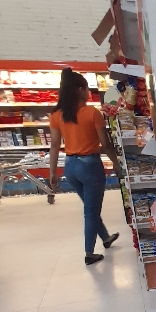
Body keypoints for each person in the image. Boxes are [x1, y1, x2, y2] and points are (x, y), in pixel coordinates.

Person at [49, 67, 121, 265]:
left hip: (70, 167)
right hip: (90, 167)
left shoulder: (56, 115)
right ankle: (89, 253)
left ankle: (106, 237)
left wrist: (52, 172)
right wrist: (116, 164)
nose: (89, 92)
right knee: (91, 212)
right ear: (79, 90)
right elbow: (106, 144)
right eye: (87, 88)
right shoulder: (92, 113)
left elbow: (54, 145)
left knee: (90, 207)